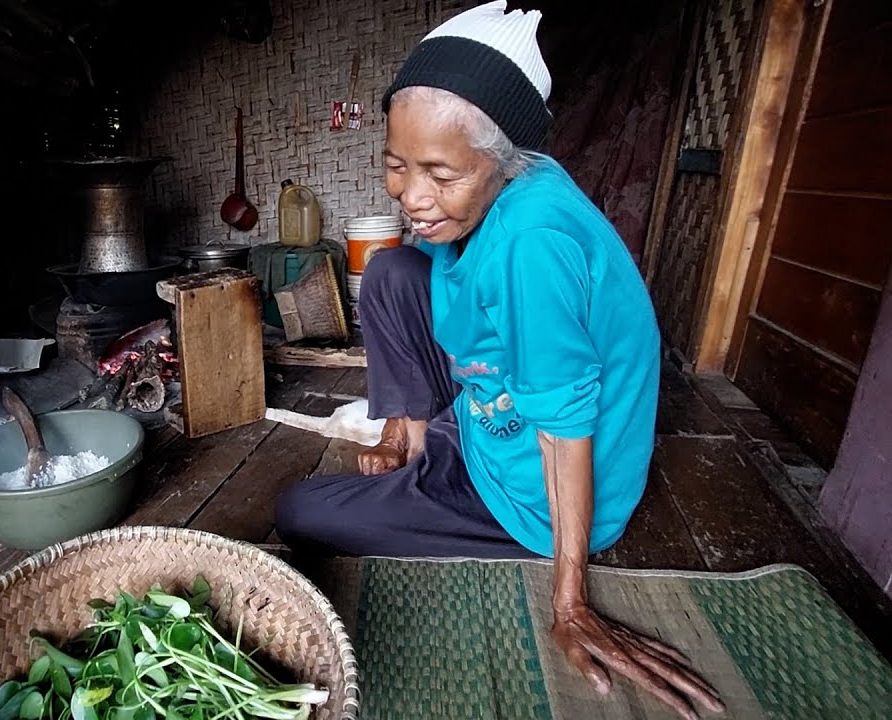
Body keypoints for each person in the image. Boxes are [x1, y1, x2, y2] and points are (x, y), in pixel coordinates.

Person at [274, 3, 725, 718]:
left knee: (299, 510)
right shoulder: (484, 199)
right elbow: (435, 293)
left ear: (505, 162)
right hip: (489, 413)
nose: (413, 197)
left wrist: (571, 602)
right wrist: (414, 414)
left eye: (440, 174)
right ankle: (412, 439)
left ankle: (440, 476)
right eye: (396, 164)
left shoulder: (531, 243)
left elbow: (563, 432)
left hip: (534, 493)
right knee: (392, 274)